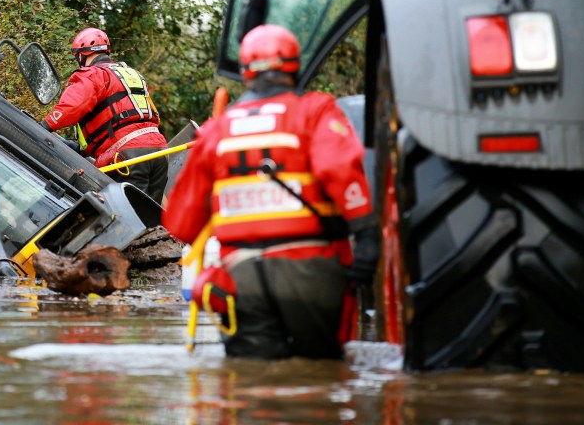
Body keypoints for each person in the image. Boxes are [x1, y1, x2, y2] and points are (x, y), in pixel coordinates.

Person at [163, 24, 379, 360]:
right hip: (311, 272)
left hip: (240, 277)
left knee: (252, 387)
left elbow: (181, 224)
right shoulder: (315, 110)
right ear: (294, 66)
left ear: (245, 71)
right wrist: (367, 235)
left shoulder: (218, 129)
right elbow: (340, 171)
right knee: (320, 379)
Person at [41, 27, 169, 201]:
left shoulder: (92, 74)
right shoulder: (132, 74)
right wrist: (81, 149)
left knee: (129, 217)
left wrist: (45, 126)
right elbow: (125, 117)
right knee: (152, 217)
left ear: (81, 55)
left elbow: (71, 107)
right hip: (159, 151)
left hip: (127, 154)